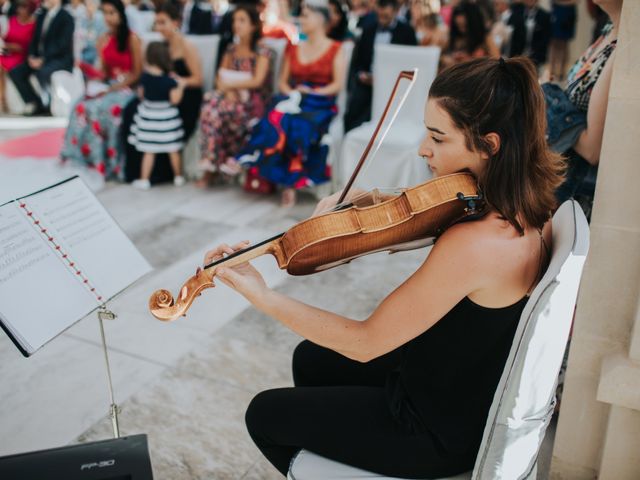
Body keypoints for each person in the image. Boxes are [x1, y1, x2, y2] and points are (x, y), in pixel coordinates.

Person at [204, 56, 563, 477]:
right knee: (310, 359)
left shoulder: (478, 243)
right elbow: (417, 213)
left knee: (264, 414)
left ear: (490, 144)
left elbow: (366, 342)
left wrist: (262, 297)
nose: (423, 149)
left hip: (431, 429)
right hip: (446, 383)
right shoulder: (522, 207)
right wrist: (365, 205)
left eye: (438, 138)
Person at [237, 0, 345, 207]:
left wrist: (312, 92)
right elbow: (283, 83)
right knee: (277, 117)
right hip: (292, 97)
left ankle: (289, 182)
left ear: (321, 18)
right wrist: (294, 93)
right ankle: (265, 168)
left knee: (299, 124)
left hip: (319, 100)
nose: (300, 19)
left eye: (305, 14)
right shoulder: (293, 46)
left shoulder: (336, 48)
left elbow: (336, 85)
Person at [551, 0, 620, 220]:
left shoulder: (624, 42)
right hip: (565, 175)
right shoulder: (609, 28)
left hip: (580, 190)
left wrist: (550, 105)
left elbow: (592, 148)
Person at [122, 1, 203, 184]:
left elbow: (198, 79)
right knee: (131, 110)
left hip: (185, 95)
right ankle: (137, 170)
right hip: (162, 93)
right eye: (156, 23)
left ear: (175, 23)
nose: (158, 27)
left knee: (162, 119)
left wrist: (179, 82)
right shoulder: (160, 46)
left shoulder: (186, 46)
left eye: (163, 22)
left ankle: (162, 172)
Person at [60, 0, 142, 178]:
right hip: (108, 85)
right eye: (105, 13)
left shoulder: (132, 38)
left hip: (127, 88)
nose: (108, 17)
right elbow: (104, 72)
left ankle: (107, 162)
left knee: (103, 109)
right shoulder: (104, 38)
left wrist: (114, 87)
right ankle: (81, 157)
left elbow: (137, 72)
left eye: (112, 13)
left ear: (120, 15)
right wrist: (93, 76)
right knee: (79, 105)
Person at [196, 3, 271, 185]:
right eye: (235, 20)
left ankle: (210, 163)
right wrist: (229, 90)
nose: (236, 25)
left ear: (253, 25)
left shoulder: (262, 51)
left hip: (252, 103)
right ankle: (213, 163)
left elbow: (257, 81)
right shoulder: (230, 50)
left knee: (213, 106)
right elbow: (218, 79)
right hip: (229, 99)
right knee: (211, 101)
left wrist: (232, 86)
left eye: (242, 20)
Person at [343, 0, 417, 133]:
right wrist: (361, 75)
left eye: (386, 16)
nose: (382, 18)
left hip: (395, 85)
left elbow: (411, 62)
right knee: (353, 114)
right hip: (368, 84)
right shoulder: (368, 30)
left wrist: (387, 79)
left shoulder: (407, 32)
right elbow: (358, 61)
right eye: (379, 15)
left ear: (395, 12)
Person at [128, 41, 187, 189]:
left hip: (149, 119)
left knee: (149, 151)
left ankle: (144, 179)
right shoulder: (169, 81)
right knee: (173, 150)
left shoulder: (145, 78)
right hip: (166, 120)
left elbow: (141, 95)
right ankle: (178, 176)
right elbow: (175, 100)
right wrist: (181, 86)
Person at [9, 0, 74, 115]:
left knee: (43, 72)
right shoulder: (42, 15)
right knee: (16, 72)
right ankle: (36, 103)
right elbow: (34, 40)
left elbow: (62, 45)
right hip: (39, 58)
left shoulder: (66, 17)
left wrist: (43, 59)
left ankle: (48, 104)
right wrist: (31, 56)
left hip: (58, 59)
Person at [0, 0, 36, 112]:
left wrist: (17, 48)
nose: (20, 10)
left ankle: (3, 101)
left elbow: (31, 44)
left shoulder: (33, 24)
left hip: (20, 55)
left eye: (24, 7)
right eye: (19, 7)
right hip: (6, 52)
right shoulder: (12, 21)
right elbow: (4, 37)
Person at [441, 1, 499, 69]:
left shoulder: (485, 39)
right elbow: (441, 55)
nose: (462, 30)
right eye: (459, 26)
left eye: (464, 26)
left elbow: (498, 62)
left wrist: (471, 60)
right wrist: (448, 59)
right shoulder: (455, 38)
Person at [506, 0, 551, 69]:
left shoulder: (544, 16)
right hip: (517, 55)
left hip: (536, 57)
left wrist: (535, 54)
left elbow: (545, 39)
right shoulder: (516, 13)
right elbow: (510, 33)